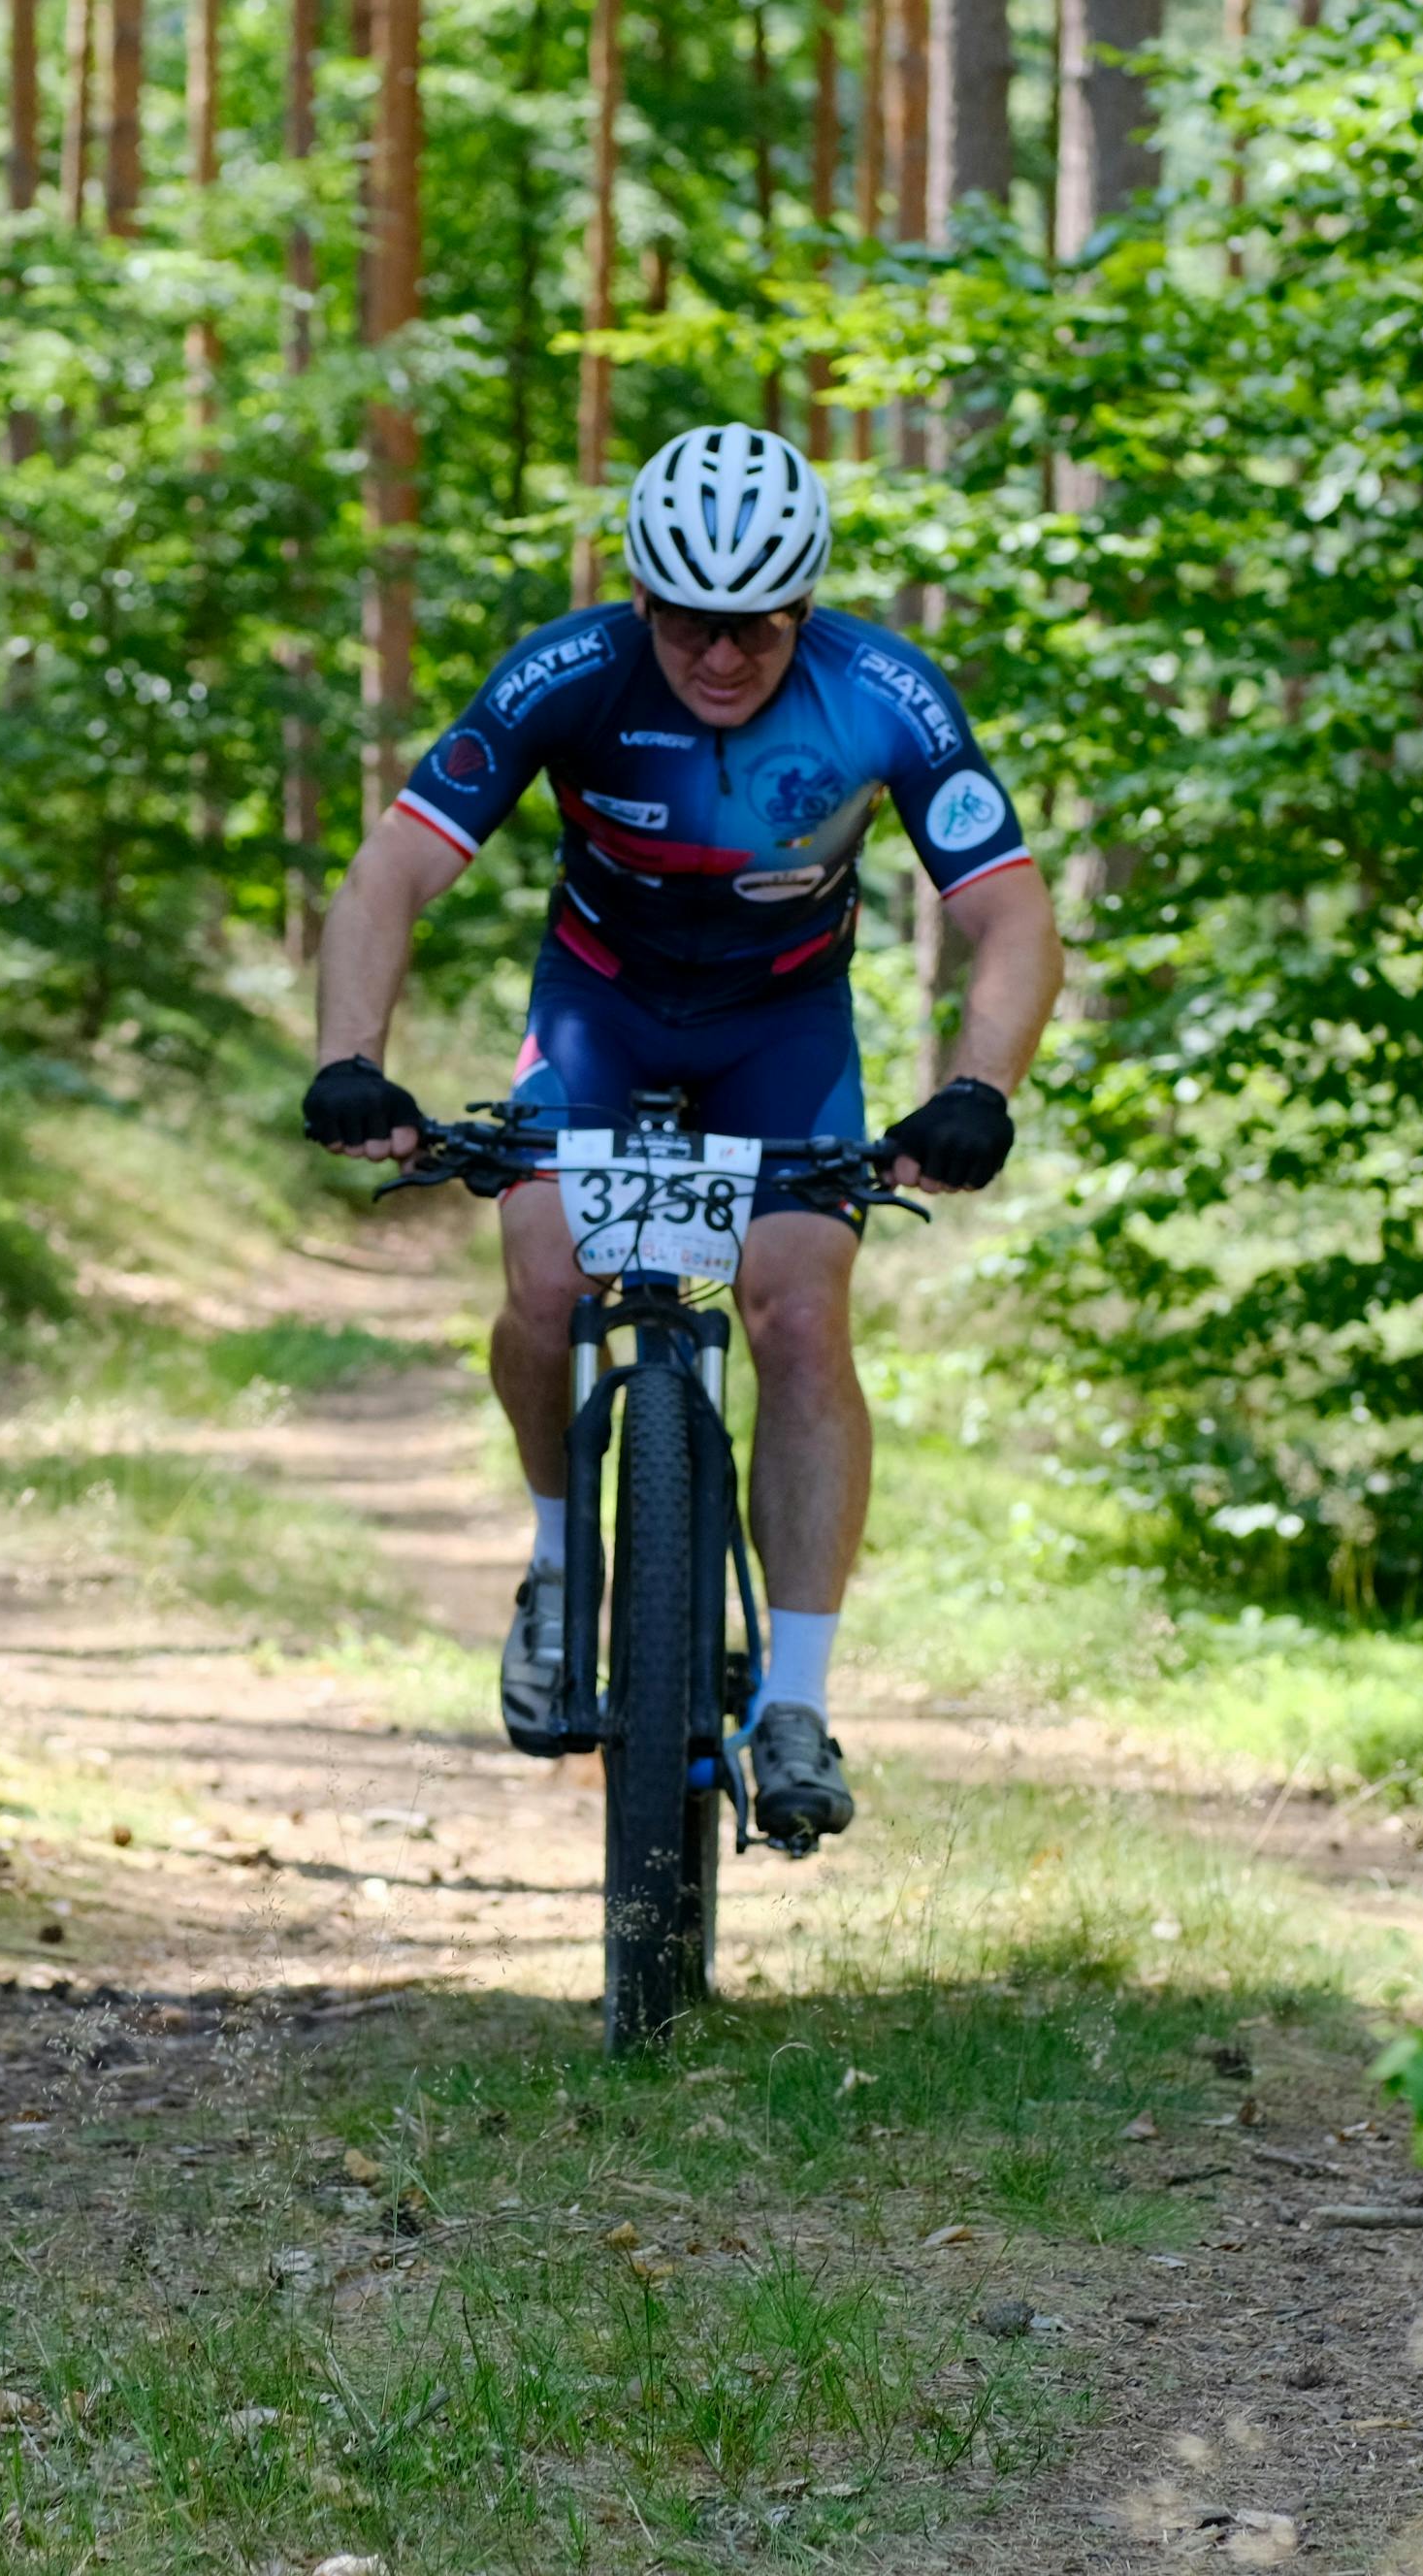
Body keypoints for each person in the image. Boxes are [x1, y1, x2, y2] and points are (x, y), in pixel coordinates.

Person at [300, 422, 1064, 1845]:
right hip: (600, 1010)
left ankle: (796, 1701)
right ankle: (551, 1567)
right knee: (542, 1279)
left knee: (793, 1311)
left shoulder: (883, 693)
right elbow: (395, 865)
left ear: (807, 609)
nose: (723, 657)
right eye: (694, 625)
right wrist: (353, 1059)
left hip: (782, 1032)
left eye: (760, 630)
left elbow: (1011, 912)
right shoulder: (570, 673)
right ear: (643, 602)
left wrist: (978, 1087)